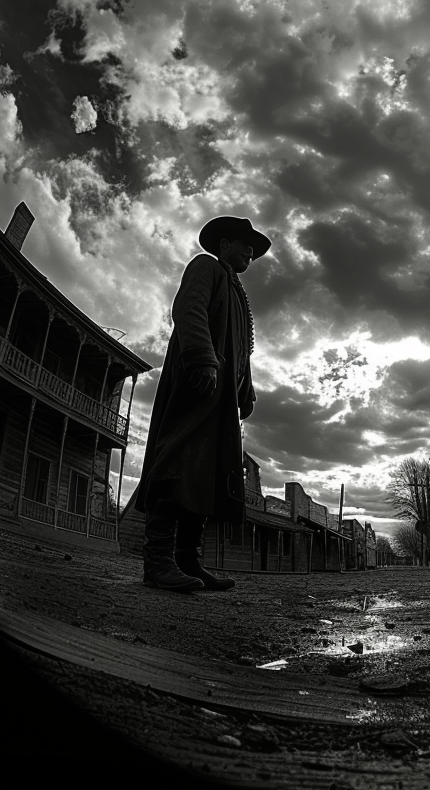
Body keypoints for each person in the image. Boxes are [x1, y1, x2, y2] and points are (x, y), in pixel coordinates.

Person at [134, 216, 271, 592]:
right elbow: (189, 310)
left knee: (206, 474)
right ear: (224, 244)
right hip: (197, 383)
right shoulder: (205, 266)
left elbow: (240, 347)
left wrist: (246, 388)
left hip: (221, 394)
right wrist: (201, 358)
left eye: (254, 251)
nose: (251, 253)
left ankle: (188, 561)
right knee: (175, 462)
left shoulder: (236, 290)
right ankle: (157, 562)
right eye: (246, 244)